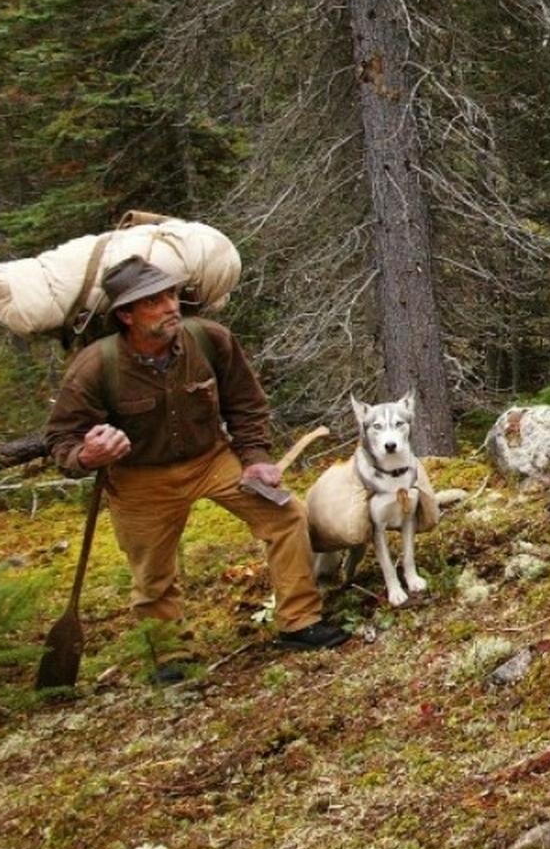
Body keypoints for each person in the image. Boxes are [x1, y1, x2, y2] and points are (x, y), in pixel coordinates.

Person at [45, 255, 347, 682]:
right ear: (126, 315)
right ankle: (172, 656)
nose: (170, 306)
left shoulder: (209, 340)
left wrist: (257, 458)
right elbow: (61, 440)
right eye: (154, 301)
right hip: (139, 478)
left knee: (285, 515)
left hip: (212, 460)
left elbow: (246, 403)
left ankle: (300, 621)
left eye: (171, 294)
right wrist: (87, 455)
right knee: (152, 571)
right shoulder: (97, 365)